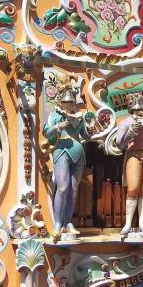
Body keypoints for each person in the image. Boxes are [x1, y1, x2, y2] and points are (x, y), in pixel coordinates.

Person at [42, 87, 89, 238]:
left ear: (75, 103)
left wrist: (89, 125)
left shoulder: (78, 117)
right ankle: (57, 223)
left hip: (78, 152)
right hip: (61, 150)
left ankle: (68, 223)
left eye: (71, 102)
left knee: (73, 190)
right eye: (65, 102)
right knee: (62, 188)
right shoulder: (55, 115)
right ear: (61, 103)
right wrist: (57, 126)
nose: (68, 105)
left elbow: (85, 135)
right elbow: (46, 132)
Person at [116, 93, 143, 236]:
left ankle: (141, 222)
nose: (139, 111)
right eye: (136, 108)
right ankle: (128, 223)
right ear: (131, 109)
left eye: (140, 107)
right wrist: (130, 132)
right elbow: (120, 143)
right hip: (134, 155)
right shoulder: (126, 122)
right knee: (133, 188)